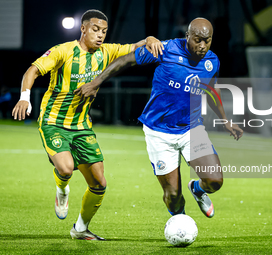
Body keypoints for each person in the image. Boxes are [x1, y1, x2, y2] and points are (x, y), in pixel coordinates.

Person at [12, 9, 163, 240]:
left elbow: (134, 46)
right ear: (83, 29)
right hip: (53, 121)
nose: (100, 35)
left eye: (103, 31)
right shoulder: (63, 51)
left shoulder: (107, 51)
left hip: (82, 126)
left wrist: (149, 39)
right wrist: (25, 97)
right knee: (65, 167)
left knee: (99, 184)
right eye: (95, 29)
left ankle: (80, 229)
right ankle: (62, 189)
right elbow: (32, 70)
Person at [75, 18, 243, 218]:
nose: (202, 46)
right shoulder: (166, 49)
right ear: (187, 36)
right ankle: (180, 222)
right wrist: (96, 83)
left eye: (207, 41)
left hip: (192, 129)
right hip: (159, 132)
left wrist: (225, 120)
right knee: (172, 195)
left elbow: (211, 90)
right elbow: (126, 60)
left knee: (214, 181)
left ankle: (197, 189)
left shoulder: (212, 62)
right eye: (197, 40)